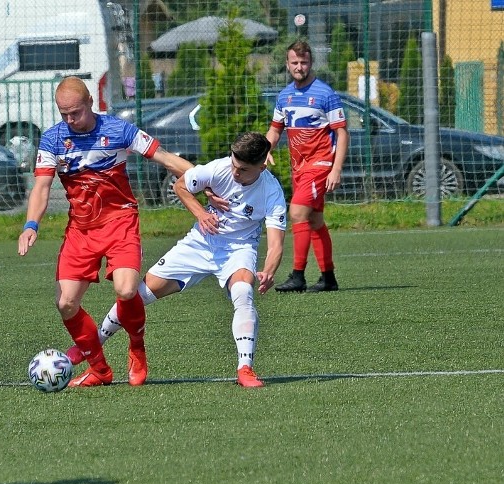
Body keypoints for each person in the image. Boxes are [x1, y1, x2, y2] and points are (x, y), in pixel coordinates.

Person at [18, 76, 192, 388]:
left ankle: (137, 348)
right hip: (80, 231)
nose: (70, 120)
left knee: (126, 290)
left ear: (90, 104)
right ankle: (99, 369)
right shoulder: (52, 140)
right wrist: (31, 225)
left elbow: (165, 158)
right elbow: (42, 188)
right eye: (63, 114)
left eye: (75, 112)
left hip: (120, 223)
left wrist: (208, 179)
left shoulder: (118, 130)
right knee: (65, 304)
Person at [89, 132, 286, 387]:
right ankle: (91, 347)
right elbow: (180, 185)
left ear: (261, 166)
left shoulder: (271, 192)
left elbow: (276, 244)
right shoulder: (219, 168)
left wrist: (268, 271)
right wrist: (202, 214)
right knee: (137, 296)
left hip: (239, 248)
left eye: (243, 170)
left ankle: (245, 369)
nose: (235, 173)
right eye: (234, 164)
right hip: (199, 243)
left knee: (243, 292)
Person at [266, 40, 349, 293]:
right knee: (314, 220)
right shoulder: (284, 96)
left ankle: (298, 276)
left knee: (297, 213)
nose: (299, 67)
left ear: (311, 63)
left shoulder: (325, 93)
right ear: (287, 64)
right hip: (298, 168)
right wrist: (265, 150)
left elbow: (342, 133)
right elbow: (275, 129)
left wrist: (335, 169)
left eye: (304, 62)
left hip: (320, 164)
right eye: (295, 63)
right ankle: (328, 278)